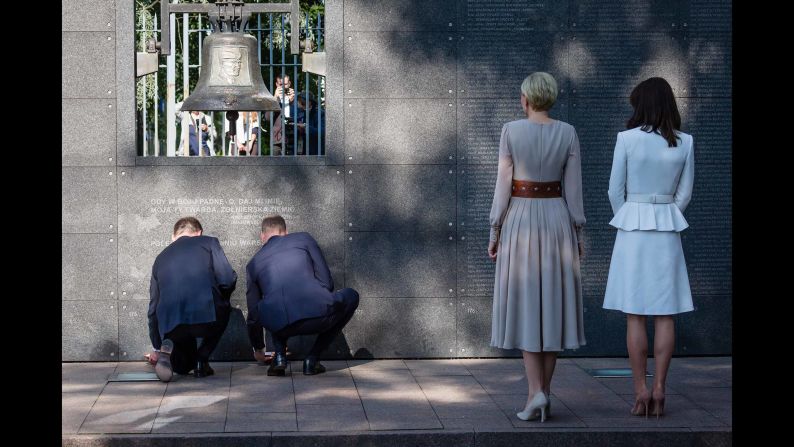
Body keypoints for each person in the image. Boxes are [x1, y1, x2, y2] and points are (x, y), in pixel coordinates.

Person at [488, 72, 586, 422]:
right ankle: (541, 393)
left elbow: (503, 187)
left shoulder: (511, 131)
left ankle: (536, 393)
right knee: (553, 307)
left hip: (521, 220)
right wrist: (579, 234)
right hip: (558, 218)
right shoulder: (568, 132)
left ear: (525, 99)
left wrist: (495, 230)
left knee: (530, 305)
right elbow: (573, 191)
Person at [602, 77, 694, 418]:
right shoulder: (685, 142)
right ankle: (660, 388)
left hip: (633, 229)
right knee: (665, 312)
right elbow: (684, 194)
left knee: (635, 313)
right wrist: (667, 215)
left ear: (641, 105)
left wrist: (628, 217)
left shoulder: (626, 139)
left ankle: (640, 389)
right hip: (667, 226)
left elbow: (614, 191)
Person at [246, 215, 359, 376]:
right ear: (285, 232)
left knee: (271, 302)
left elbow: (254, 314)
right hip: (319, 317)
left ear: (262, 236)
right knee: (352, 295)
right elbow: (327, 283)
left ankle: (279, 357)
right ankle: (312, 359)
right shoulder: (303, 239)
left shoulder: (253, 264)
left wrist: (258, 348)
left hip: (281, 325)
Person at [147, 217, 237, 382]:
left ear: (173, 236)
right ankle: (201, 360)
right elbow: (227, 280)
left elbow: (153, 307)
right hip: (206, 316)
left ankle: (166, 347)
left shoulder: (160, 258)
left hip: (171, 324)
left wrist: (156, 345)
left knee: (181, 364)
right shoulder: (209, 243)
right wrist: (222, 298)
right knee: (225, 309)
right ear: (199, 233)